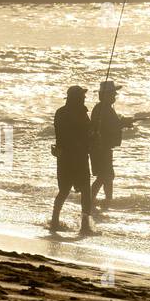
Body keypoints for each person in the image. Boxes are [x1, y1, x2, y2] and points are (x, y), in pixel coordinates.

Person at [50, 85, 94, 235]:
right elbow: (84, 133)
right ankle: (85, 226)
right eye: (82, 97)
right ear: (77, 98)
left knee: (64, 190)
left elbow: (61, 134)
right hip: (79, 157)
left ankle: (54, 221)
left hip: (63, 157)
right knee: (86, 192)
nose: (84, 99)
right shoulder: (81, 114)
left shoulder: (60, 113)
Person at [89, 80, 131, 212]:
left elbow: (111, 125)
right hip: (100, 148)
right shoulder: (103, 109)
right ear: (105, 95)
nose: (114, 96)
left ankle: (107, 200)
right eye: (112, 93)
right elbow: (109, 127)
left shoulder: (103, 108)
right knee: (104, 175)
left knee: (107, 175)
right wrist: (123, 123)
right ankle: (90, 199)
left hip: (102, 147)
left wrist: (123, 123)